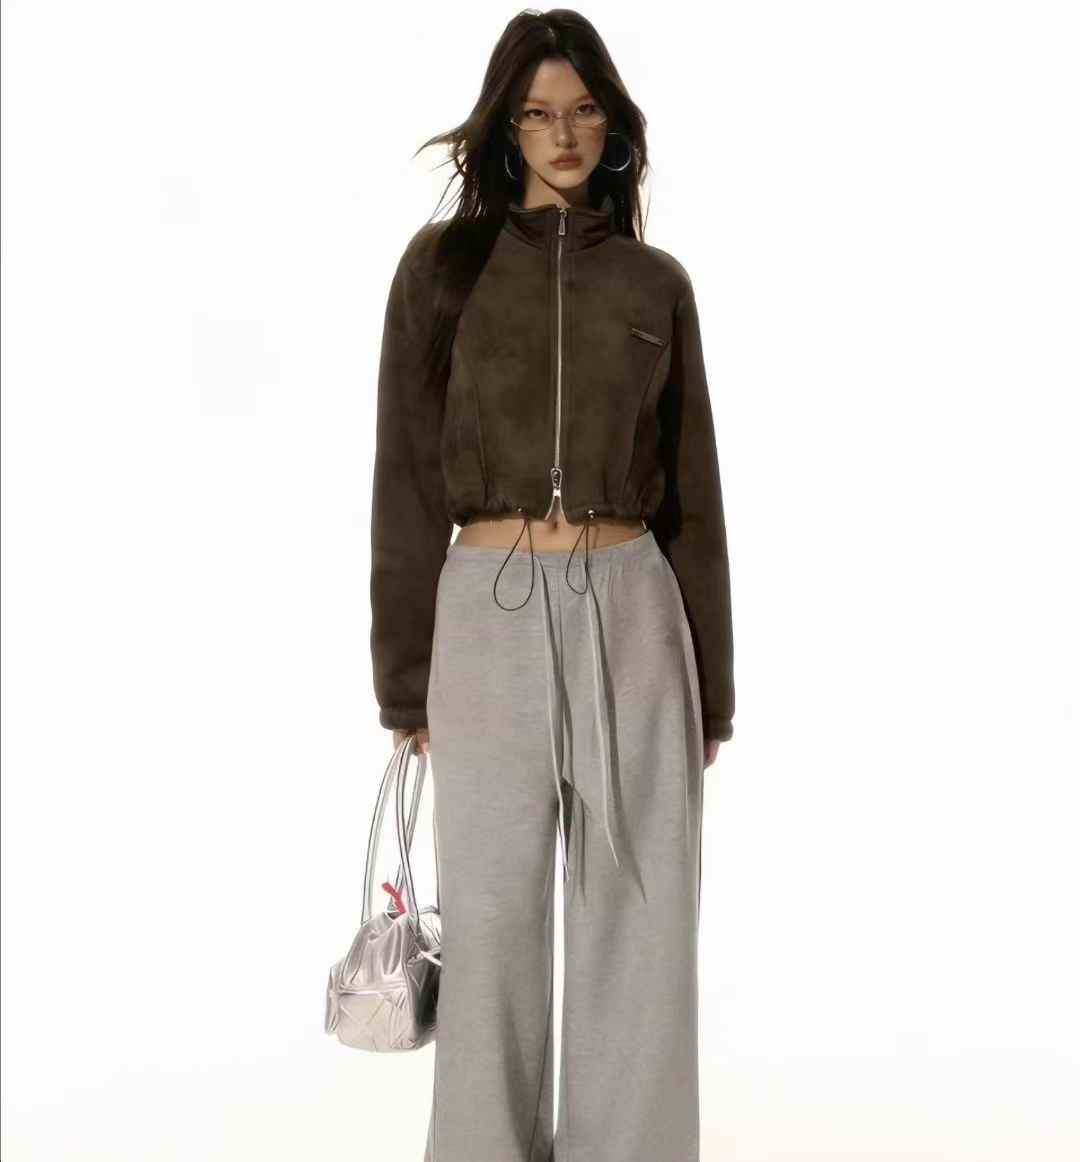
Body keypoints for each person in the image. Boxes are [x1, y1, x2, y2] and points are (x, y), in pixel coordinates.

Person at [369, 11, 734, 1160]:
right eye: (536, 113)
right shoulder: (442, 271)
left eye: (582, 112)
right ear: (506, 127)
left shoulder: (654, 282)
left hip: (633, 605)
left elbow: (693, 497)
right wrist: (405, 680)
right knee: (491, 922)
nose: (562, 134)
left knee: (640, 922)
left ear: (611, 126)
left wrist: (712, 692)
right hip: (486, 607)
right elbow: (405, 480)